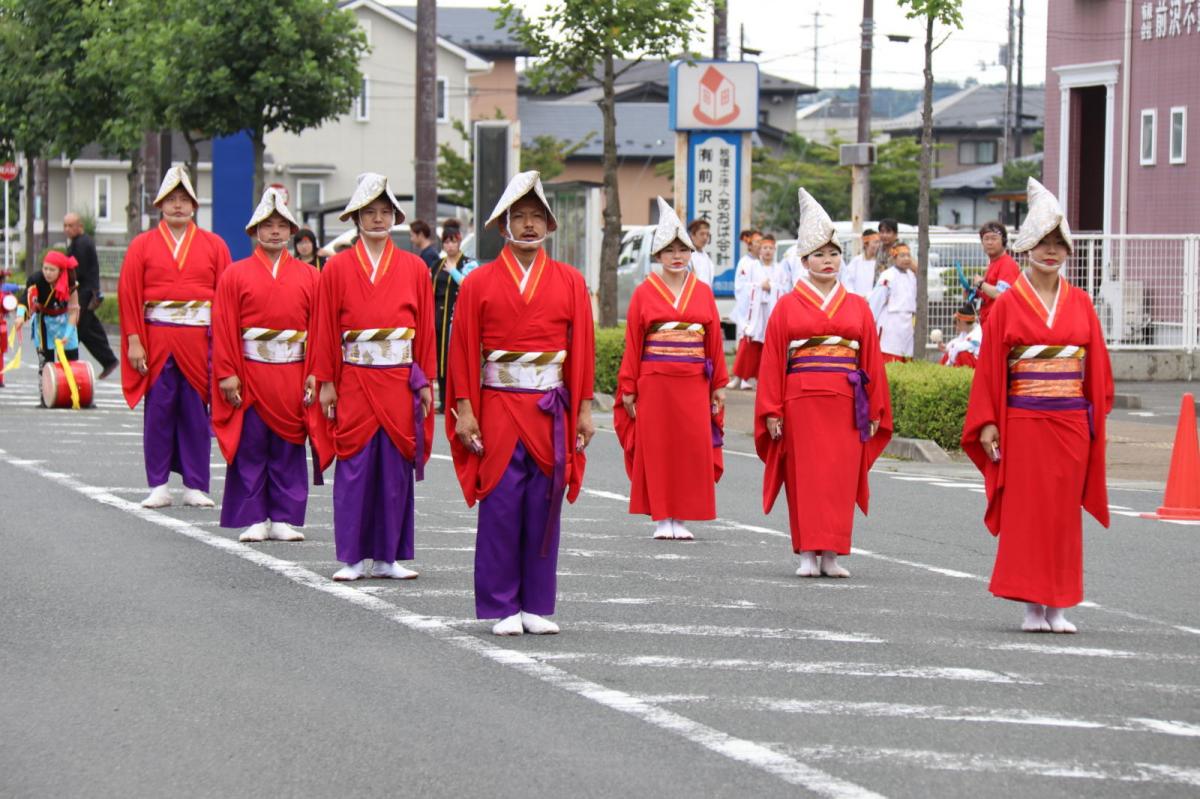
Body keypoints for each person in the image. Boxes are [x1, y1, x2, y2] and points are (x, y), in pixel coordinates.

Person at [446, 170, 595, 637]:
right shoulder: (477, 283)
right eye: (520, 217)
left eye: (537, 217)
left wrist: (585, 408)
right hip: (499, 403)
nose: (529, 225)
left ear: (550, 226)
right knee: (501, 503)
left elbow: (583, 348)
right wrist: (466, 408)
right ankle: (500, 604)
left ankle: (535, 603)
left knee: (543, 503)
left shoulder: (570, 281)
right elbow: (463, 347)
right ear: (502, 225)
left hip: (551, 403)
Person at [963, 178, 1113, 635]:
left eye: (1059, 244)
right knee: (1027, 510)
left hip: (1069, 421)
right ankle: (1031, 604)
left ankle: (1059, 604)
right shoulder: (1008, 305)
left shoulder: (1081, 303)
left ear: (1068, 251)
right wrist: (988, 422)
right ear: (1027, 247)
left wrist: (1094, 415)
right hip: (1024, 418)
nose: (1051, 252)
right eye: (1043, 244)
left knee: (1063, 513)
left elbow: (1097, 370)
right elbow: (991, 365)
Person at [756, 189, 892, 578]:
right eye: (819, 254)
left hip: (846, 403)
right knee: (805, 477)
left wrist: (873, 407)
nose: (828, 261)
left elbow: (872, 362)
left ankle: (832, 552)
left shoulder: (858, 306)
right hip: (800, 401)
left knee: (838, 477)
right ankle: (805, 552)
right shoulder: (785, 307)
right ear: (804, 260)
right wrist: (771, 409)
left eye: (833, 253)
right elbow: (772, 364)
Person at [312, 173, 435, 582]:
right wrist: (326, 379)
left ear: (395, 217)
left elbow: (427, 331)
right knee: (355, 466)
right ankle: (352, 556)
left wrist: (427, 381)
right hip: (355, 378)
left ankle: (388, 556)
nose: (379, 219)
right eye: (370, 212)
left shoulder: (415, 268)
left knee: (395, 468)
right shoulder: (337, 268)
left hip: (400, 378)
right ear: (356, 218)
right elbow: (325, 327)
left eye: (385, 212)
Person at [211, 188, 325, 544]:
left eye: (281, 225)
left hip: (293, 369)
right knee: (252, 443)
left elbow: (320, 327)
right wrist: (228, 372)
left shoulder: (311, 277)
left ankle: (284, 517)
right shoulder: (235, 274)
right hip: (251, 369)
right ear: (254, 231)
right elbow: (224, 325)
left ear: (292, 231)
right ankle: (254, 515)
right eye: (267, 225)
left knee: (289, 444)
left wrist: (315, 371)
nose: (275, 231)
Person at [614, 197, 727, 541]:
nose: (677, 256)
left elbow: (714, 341)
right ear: (658, 255)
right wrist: (629, 385)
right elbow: (633, 342)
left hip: (694, 380)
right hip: (655, 380)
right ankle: (663, 516)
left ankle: (683, 515)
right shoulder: (644, 293)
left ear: (692, 253)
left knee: (691, 448)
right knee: (660, 448)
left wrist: (719, 384)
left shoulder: (703, 293)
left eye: (683, 249)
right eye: (669, 250)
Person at [118, 166, 231, 508]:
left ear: (195, 205)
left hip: (199, 341)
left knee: (196, 413)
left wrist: (222, 347)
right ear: (160, 205)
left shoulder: (214, 245)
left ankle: (195, 484)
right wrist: (135, 340)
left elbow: (225, 299)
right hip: (157, 339)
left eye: (184, 200)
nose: (178, 206)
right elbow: (128, 293)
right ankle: (158, 484)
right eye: (172, 200)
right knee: (159, 412)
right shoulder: (143, 245)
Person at [431, 218, 478, 412]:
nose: (450, 245)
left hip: (457, 318)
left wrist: (454, 272)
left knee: (455, 360)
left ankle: (456, 400)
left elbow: (471, 286)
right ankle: (442, 400)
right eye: (446, 242)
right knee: (439, 360)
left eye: (453, 241)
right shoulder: (437, 264)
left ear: (459, 242)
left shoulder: (468, 263)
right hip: (438, 318)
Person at [64, 213, 118, 378]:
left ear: (79, 226)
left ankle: (66, 363)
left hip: (85, 292)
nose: (67, 229)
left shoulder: (82, 244)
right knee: (90, 329)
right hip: (83, 291)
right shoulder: (78, 242)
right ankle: (109, 361)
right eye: (65, 226)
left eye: (70, 226)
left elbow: (77, 271)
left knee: (78, 328)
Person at [732, 233, 780, 389]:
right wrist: (759, 286)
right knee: (749, 341)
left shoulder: (779, 269)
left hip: (770, 309)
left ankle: (760, 378)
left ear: (774, 250)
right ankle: (742, 376)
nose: (767, 251)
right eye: (764, 247)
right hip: (754, 310)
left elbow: (784, 288)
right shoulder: (753, 266)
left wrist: (772, 287)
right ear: (760, 250)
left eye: (770, 248)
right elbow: (746, 286)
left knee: (767, 343)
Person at [25, 251, 80, 366]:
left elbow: (73, 312)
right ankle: (45, 383)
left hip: (64, 321)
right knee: (46, 365)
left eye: (52, 270)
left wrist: (67, 334)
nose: (47, 273)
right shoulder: (37, 280)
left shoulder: (70, 283)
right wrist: (22, 315)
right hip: (44, 321)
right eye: (45, 268)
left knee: (70, 364)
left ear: (60, 271)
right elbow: (26, 298)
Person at [869, 242, 918, 362]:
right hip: (890, 323)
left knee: (906, 357)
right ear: (894, 257)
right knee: (888, 356)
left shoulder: (912, 276)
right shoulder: (887, 276)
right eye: (902, 255)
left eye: (908, 255)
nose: (906, 259)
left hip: (907, 324)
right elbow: (876, 301)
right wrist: (870, 322)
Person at [729, 229, 761, 389]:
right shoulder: (745, 262)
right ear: (750, 245)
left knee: (756, 344)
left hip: (761, 308)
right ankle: (739, 375)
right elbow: (741, 286)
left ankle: (749, 376)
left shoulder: (762, 263)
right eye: (756, 243)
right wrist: (757, 288)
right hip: (748, 308)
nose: (759, 246)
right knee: (746, 342)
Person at [972, 221, 1020, 324]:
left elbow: (1001, 293)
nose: (989, 242)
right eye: (986, 239)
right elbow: (988, 295)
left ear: (1003, 241)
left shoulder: (1007, 264)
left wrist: (981, 283)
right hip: (989, 323)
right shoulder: (993, 263)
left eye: (994, 238)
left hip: (1000, 325)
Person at [938, 302, 982, 368]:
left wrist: (948, 361)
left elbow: (958, 347)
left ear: (962, 321)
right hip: (968, 358)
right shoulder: (966, 331)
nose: (956, 325)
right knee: (948, 354)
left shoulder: (977, 334)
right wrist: (946, 347)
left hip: (978, 364)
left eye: (957, 321)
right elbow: (957, 341)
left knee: (962, 354)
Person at [839, 229, 879, 297]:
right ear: (866, 243)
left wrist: (869, 296)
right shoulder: (856, 261)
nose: (878, 245)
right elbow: (847, 281)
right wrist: (855, 296)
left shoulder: (880, 263)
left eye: (879, 242)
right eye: (875, 242)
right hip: (857, 301)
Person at [687, 218, 714, 286]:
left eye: (707, 234)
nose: (705, 237)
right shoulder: (687, 256)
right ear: (692, 235)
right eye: (702, 234)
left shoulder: (707, 257)